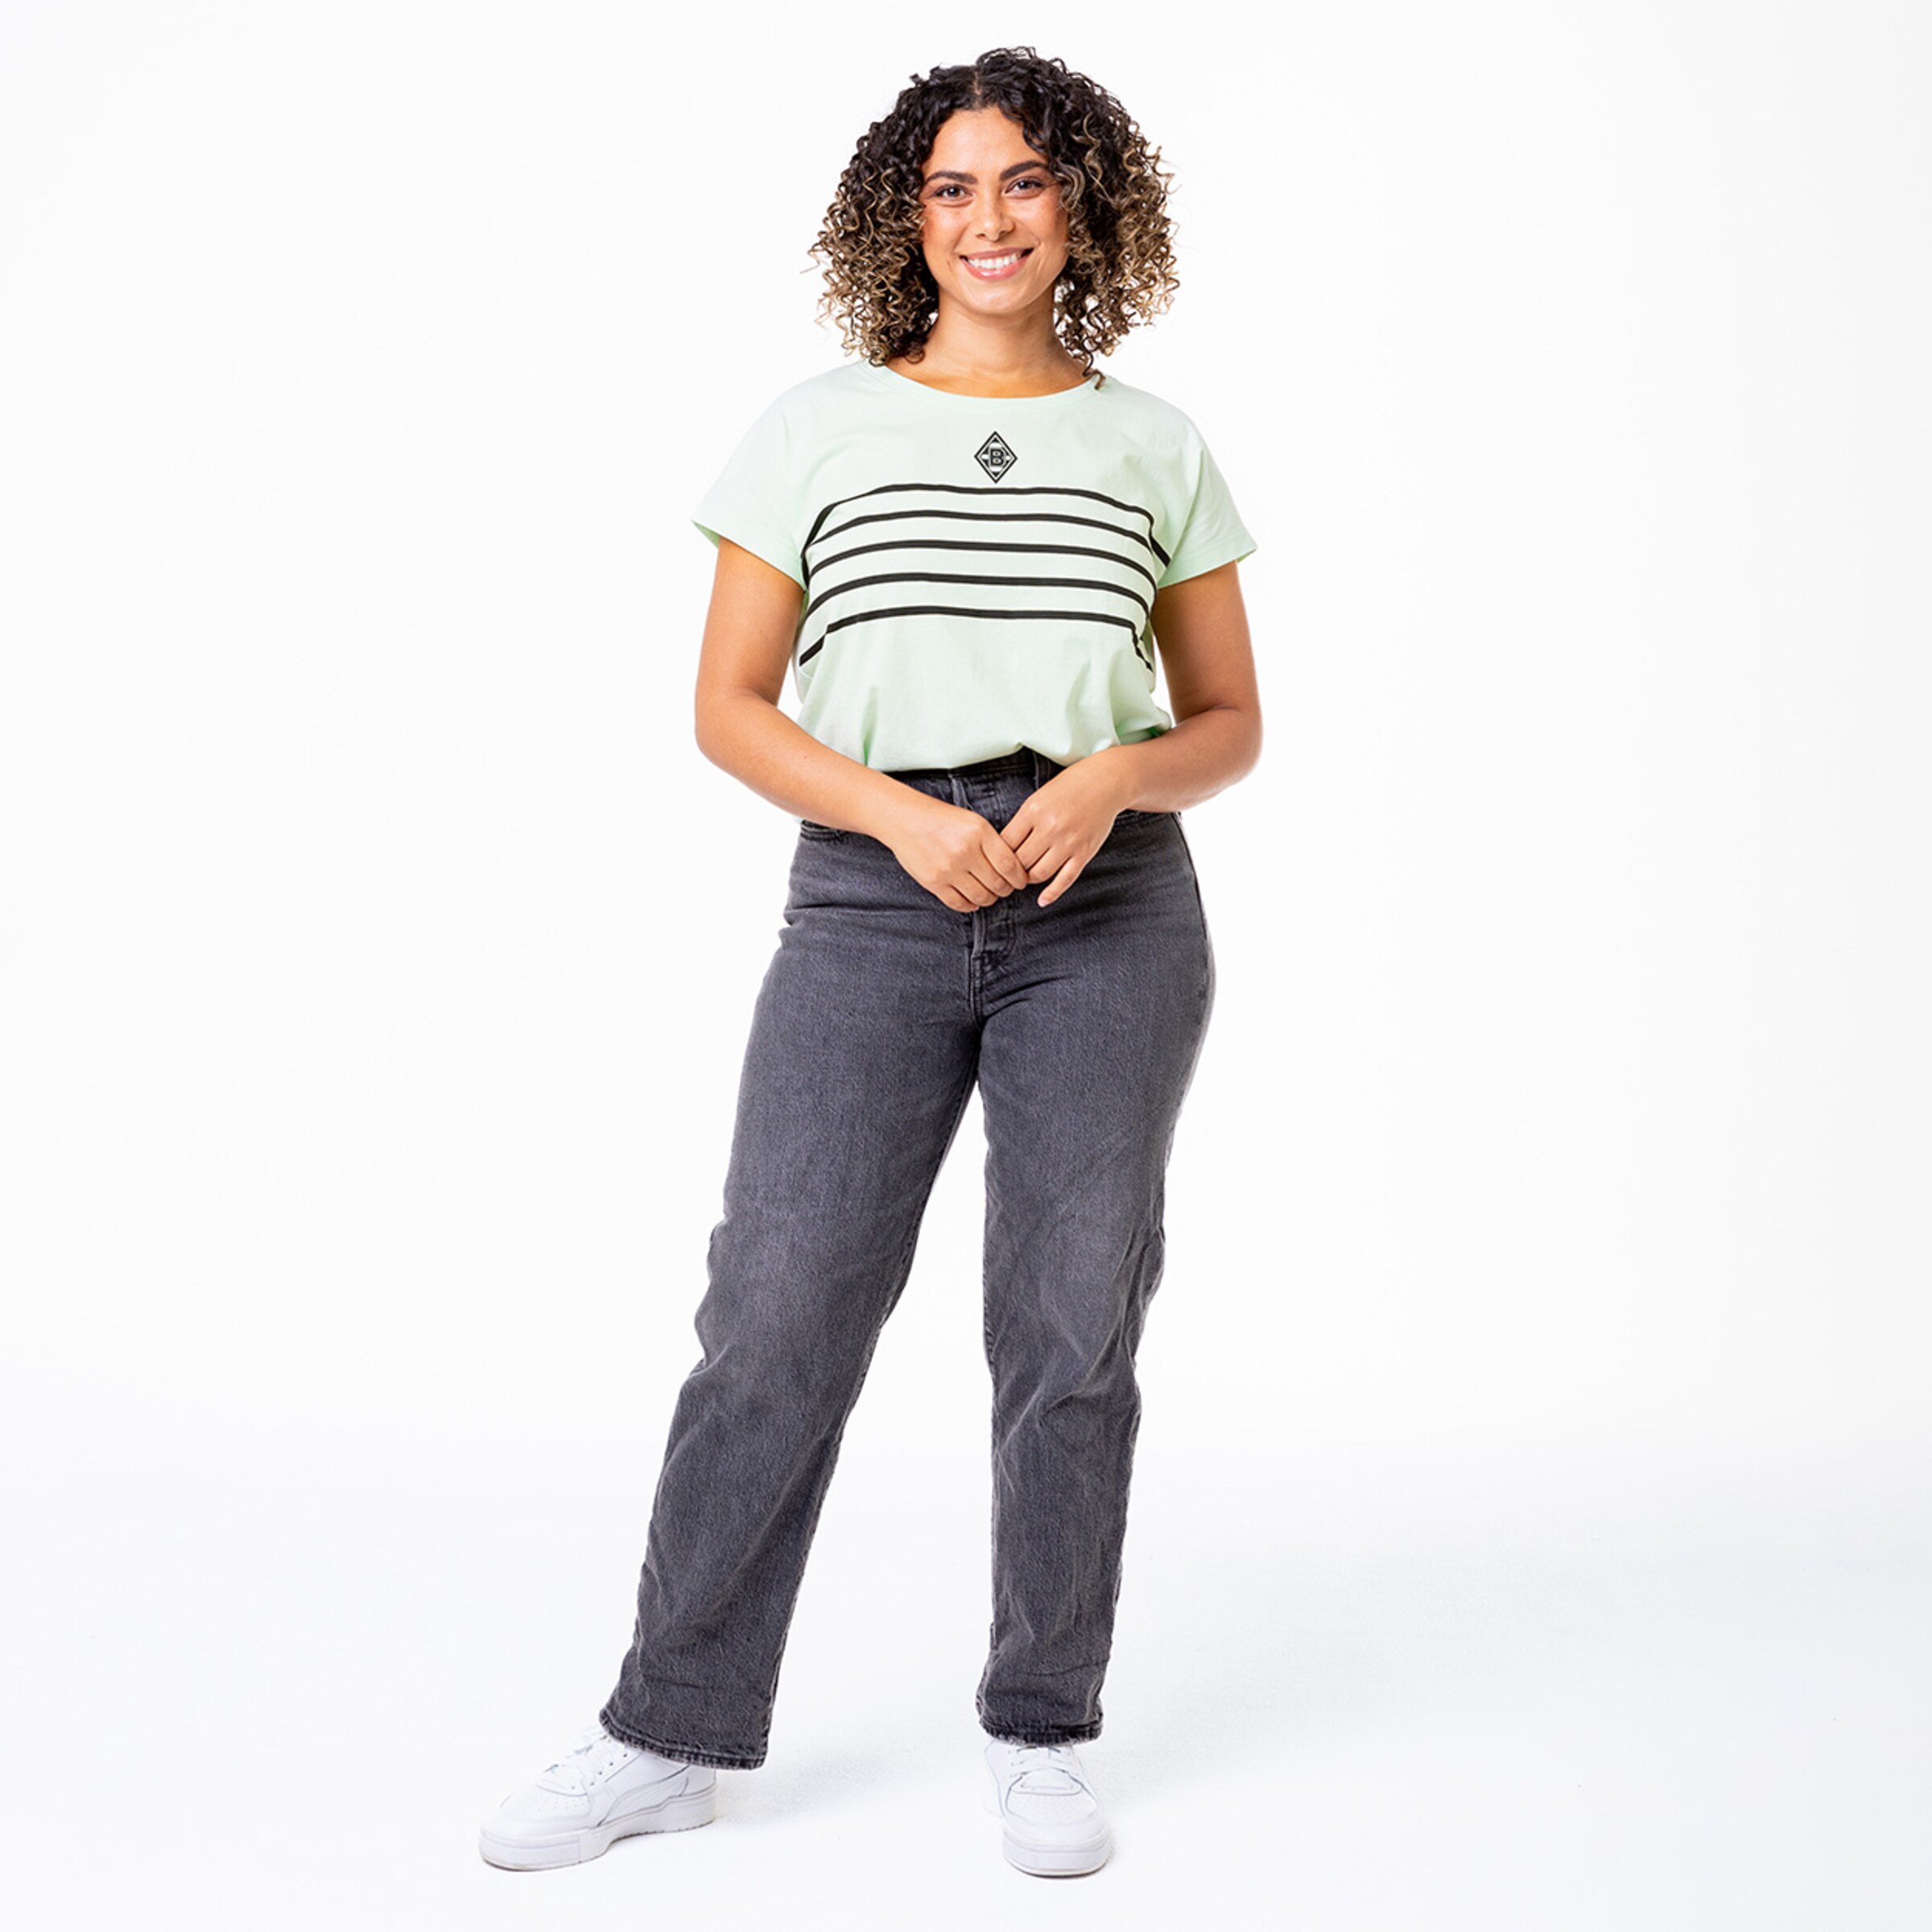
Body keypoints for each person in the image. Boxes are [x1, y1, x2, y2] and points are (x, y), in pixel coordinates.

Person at [479, 45, 1260, 1880]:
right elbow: (727, 708)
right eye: (950, 189)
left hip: (1113, 909)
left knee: (1071, 1327)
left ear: (1085, 204)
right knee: (777, 1309)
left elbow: (1229, 719)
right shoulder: (818, 426)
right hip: (869, 890)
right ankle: (665, 1729)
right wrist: (905, 822)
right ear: (904, 221)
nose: (988, 220)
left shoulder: (1155, 447)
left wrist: (1121, 773)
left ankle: (1043, 1727)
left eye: (1023, 182)